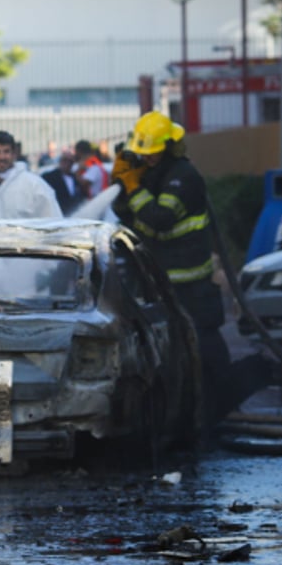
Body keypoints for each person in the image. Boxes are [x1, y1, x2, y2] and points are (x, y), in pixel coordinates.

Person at [111, 111, 231, 418]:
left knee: (202, 337)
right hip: (159, 275)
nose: (148, 159)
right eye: (144, 154)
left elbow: (159, 220)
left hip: (188, 275)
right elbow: (127, 214)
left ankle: (221, 400)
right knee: (169, 343)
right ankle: (185, 407)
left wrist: (134, 188)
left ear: (169, 146)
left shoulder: (183, 176)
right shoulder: (152, 171)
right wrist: (123, 182)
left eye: (153, 154)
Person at [0, 131, 62, 220]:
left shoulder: (35, 186)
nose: (2, 157)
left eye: (6, 152)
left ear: (14, 154)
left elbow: (53, 222)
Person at [41, 149, 83, 216]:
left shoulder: (75, 178)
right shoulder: (50, 177)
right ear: (61, 161)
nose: (67, 163)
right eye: (65, 160)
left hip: (74, 213)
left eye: (70, 161)